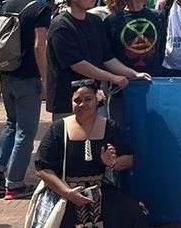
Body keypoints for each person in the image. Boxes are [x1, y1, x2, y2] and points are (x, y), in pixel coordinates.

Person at [0, 0, 53, 198]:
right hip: (27, 76)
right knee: (26, 131)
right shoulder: (40, 8)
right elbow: (39, 46)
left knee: (11, 124)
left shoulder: (7, 4)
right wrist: (45, 79)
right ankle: (14, 183)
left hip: (6, 74)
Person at [33, 80, 147, 228]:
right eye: (77, 101)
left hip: (99, 189)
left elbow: (129, 159)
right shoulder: (59, 129)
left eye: (88, 99)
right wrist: (68, 193)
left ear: (97, 100)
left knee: (133, 213)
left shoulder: (109, 127)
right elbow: (42, 168)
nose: (82, 105)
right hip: (65, 191)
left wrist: (112, 163)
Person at [46, 0, 151, 122]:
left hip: (94, 98)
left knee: (98, 141)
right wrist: (113, 78)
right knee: (70, 143)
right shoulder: (60, 26)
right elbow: (78, 65)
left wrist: (133, 74)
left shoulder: (95, 21)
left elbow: (107, 58)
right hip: (68, 101)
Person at [105, 0, 166, 85]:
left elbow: (161, 48)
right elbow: (108, 56)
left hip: (152, 83)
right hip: (123, 86)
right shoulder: (112, 21)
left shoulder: (158, 17)